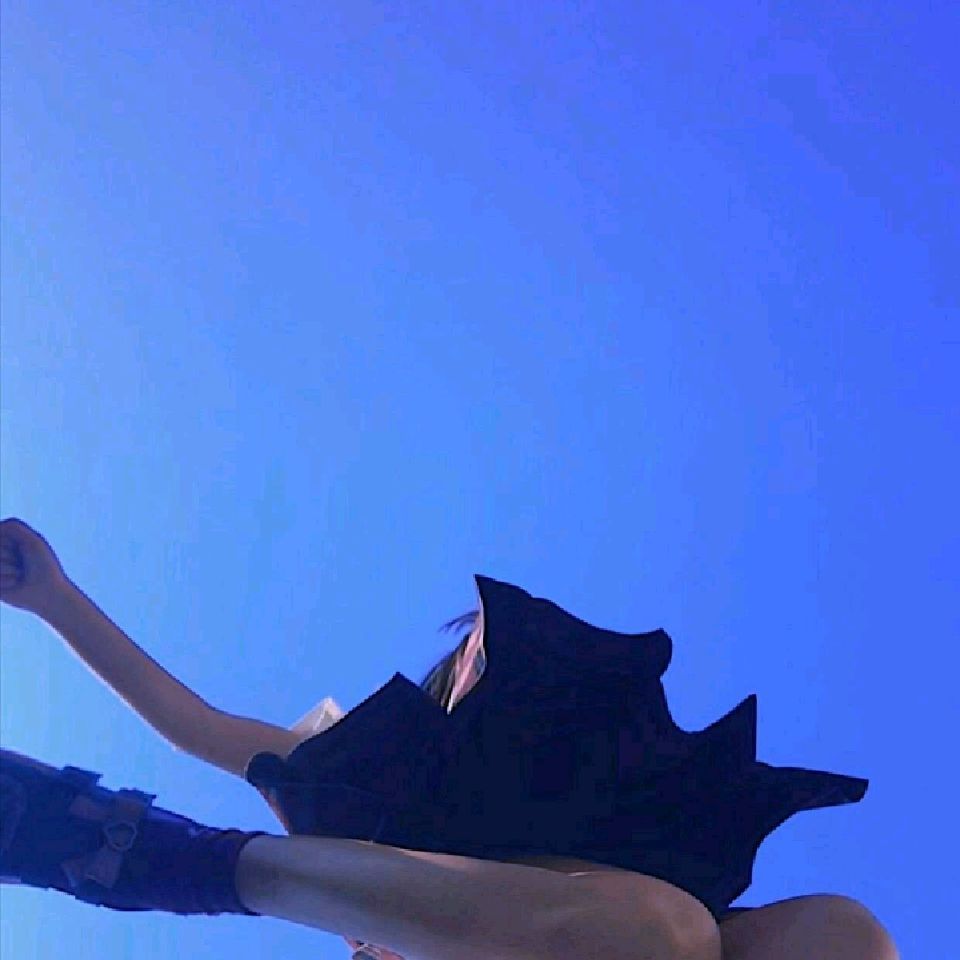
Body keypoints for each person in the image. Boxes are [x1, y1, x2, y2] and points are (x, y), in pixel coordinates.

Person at [0, 517, 899, 960]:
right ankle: (183, 860)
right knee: (656, 933)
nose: (480, 663)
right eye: (475, 652)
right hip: (538, 934)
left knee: (840, 934)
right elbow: (194, 724)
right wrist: (56, 600)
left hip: (627, 919)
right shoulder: (366, 773)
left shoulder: (595, 792)